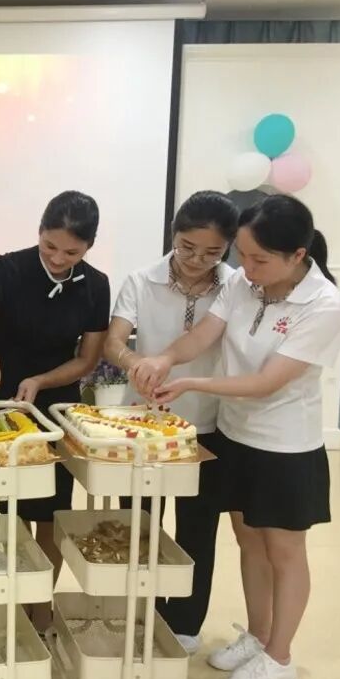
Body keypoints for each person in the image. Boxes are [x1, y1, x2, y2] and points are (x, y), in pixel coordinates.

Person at [131, 195, 340, 679]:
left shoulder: (323, 305)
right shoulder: (243, 284)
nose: (245, 269)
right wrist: (166, 359)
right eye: (242, 256)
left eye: (259, 260)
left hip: (285, 447)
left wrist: (189, 383)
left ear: (297, 255)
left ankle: (280, 656)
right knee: (249, 539)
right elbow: (204, 334)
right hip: (236, 435)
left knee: (284, 550)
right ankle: (258, 634)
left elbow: (266, 382)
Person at [0, 190, 110, 633]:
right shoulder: (7, 268)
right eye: (50, 246)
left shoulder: (96, 284)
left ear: (88, 247)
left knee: (51, 510)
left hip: (55, 407)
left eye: (72, 252)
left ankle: (41, 601)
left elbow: (87, 359)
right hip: (1, 398)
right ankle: (12, 597)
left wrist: (43, 380)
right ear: (39, 232)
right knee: (5, 509)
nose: (58, 258)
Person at [103, 190, 238, 653]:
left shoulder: (237, 286)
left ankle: (184, 623)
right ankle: (137, 612)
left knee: (197, 528)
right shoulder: (142, 280)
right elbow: (114, 342)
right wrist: (135, 363)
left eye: (212, 252)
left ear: (228, 247)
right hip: (141, 426)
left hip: (209, 423)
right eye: (187, 247)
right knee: (138, 525)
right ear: (173, 234)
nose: (197, 260)